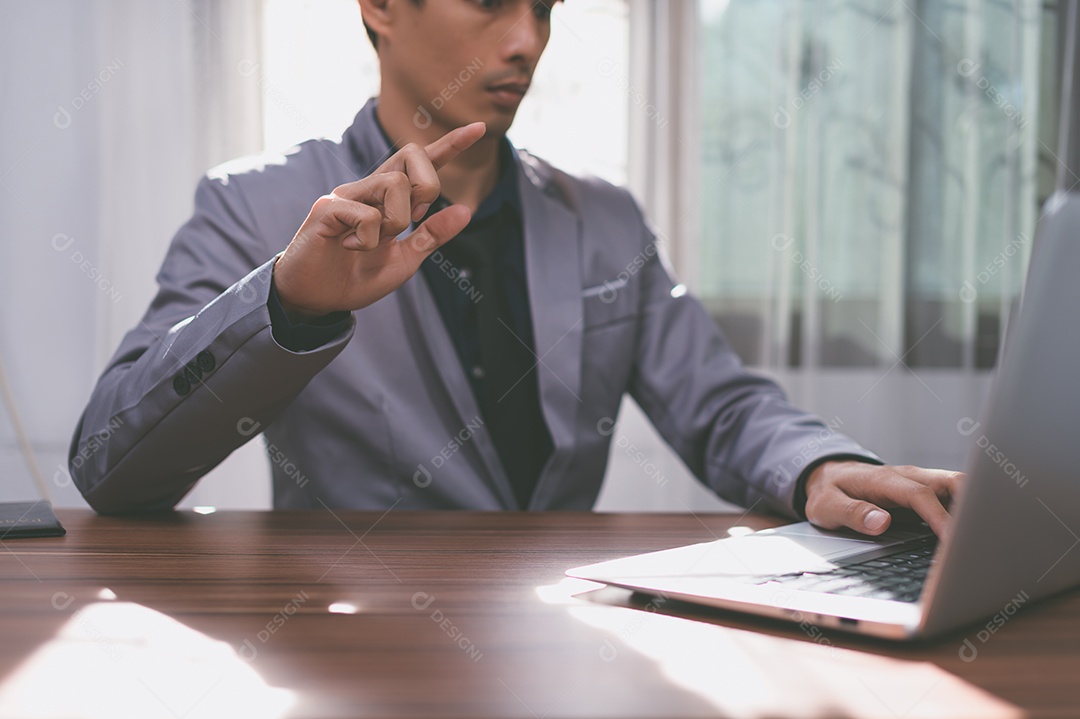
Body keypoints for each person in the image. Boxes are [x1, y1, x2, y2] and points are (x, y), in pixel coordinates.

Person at [69, 0, 962, 538]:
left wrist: (817, 467)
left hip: (565, 647)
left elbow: (722, 405)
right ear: (379, 5)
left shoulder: (604, 218)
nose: (527, 41)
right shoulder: (255, 206)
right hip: (348, 651)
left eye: (544, 8)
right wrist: (287, 306)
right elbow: (111, 468)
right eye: (494, 2)